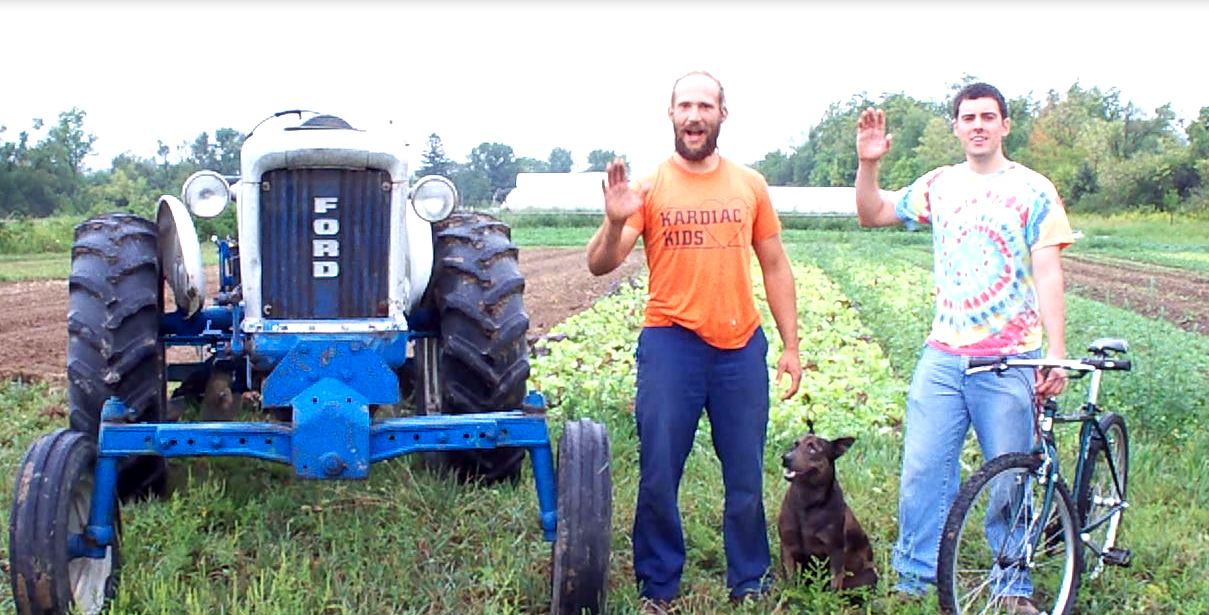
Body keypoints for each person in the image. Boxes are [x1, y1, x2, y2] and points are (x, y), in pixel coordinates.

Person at [854, 82, 1074, 613]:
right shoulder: (940, 185)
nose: (977, 125)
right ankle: (913, 578)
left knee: (1010, 477)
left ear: (1004, 125)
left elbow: (1048, 274)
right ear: (955, 126)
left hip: (1010, 359)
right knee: (924, 471)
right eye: (968, 116)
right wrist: (868, 165)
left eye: (988, 116)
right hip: (944, 357)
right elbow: (872, 213)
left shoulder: (1034, 190)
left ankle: (1013, 587)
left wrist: (1055, 353)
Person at [586, 70, 803, 609]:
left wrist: (791, 346)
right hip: (671, 344)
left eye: (706, 106)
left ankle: (749, 579)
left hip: (740, 347)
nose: (695, 116)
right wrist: (614, 223)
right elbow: (599, 263)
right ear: (671, 114)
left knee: (745, 473)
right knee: (659, 470)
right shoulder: (650, 186)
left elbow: (775, 265)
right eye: (685, 105)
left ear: (722, 115)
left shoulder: (750, 184)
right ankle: (659, 584)